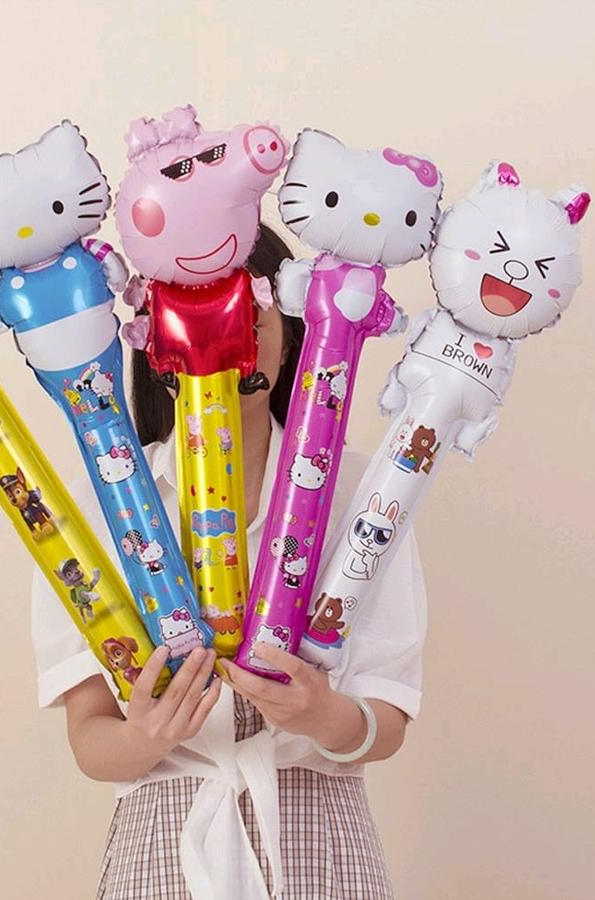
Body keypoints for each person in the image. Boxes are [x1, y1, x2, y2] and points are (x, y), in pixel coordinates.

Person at [30, 226, 427, 899]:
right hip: (163, 842)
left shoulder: (364, 495)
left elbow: (387, 718)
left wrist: (321, 714)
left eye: (249, 316)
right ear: (154, 340)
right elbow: (89, 737)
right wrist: (146, 736)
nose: (224, 339)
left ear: (290, 331)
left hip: (319, 841)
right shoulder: (99, 507)